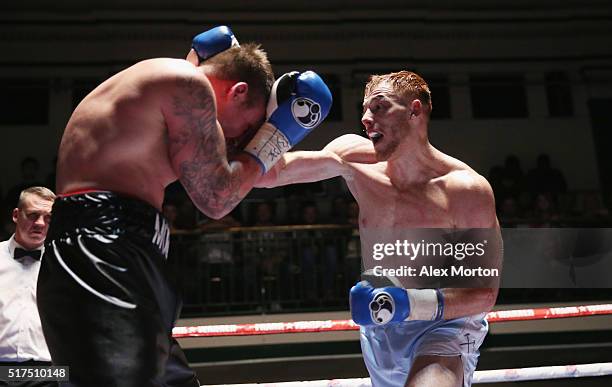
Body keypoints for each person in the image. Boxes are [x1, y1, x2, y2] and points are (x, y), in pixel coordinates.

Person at [36, 25, 332, 387]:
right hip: (103, 250)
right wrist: (277, 135)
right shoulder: (186, 83)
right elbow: (217, 198)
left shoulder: (167, 96)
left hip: (126, 252)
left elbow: (250, 173)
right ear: (238, 92)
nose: (240, 138)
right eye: (249, 125)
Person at [257, 71, 501, 386]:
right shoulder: (352, 160)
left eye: (379, 107)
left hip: (444, 327)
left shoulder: (465, 190)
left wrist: (409, 304)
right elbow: (266, 175)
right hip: (379, 326)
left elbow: (483, 294)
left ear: (415, 110)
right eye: (364, 109)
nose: (366, 118)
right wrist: (277, 124)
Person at [0, 186, 56, 387]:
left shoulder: (63, 264)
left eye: (48, 217)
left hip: (50, 372)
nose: (40, 224)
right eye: (33, 215)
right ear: (16, 215)